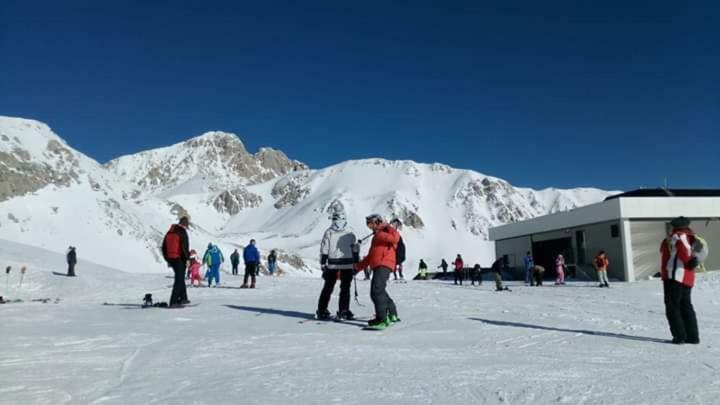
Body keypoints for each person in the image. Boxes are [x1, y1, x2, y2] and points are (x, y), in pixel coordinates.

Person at [660, 216, 703, 345]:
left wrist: (688, 262)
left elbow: (683, 251)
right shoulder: (692, 237)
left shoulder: (678, 236)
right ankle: (692, 336)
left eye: (672, 225)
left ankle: (679, 336)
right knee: (685, 306)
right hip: (687, 277)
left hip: (675, 277)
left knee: (673, 306)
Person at [355, 214, 401, 329]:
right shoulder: (377, 236)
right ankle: (392, 314)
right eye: (368, 225)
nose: (370, 227)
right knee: (380, 291)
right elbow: (371, 257)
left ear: (377, 222)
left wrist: (387, 227)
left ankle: (382, 319)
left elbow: (395, 238)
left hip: (383, 264)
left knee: (376, 291)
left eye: (371, 224)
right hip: (379, 264)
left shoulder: (382, 233)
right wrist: (357, 268)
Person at [316, 211, 358, 320]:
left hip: (332, 263)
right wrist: (356, 261)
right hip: (347, 263)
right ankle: (343, 311)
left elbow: (324, 248)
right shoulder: (350, 232)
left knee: (328, 287)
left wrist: (323, 262)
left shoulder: (329, 232)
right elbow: (355, 248)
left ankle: (322, 310)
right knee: (345, 288)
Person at [162, 217, 191, 307]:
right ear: (185, 224)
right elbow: (184, 247)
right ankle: (173, 301)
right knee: (179, 280)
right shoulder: (182, 232)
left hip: (171, 258)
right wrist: (187, 259)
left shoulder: (170, 231)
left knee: (180, 277)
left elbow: (163, 246)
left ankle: (183, 298)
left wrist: (167, 259)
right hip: (179, 258)